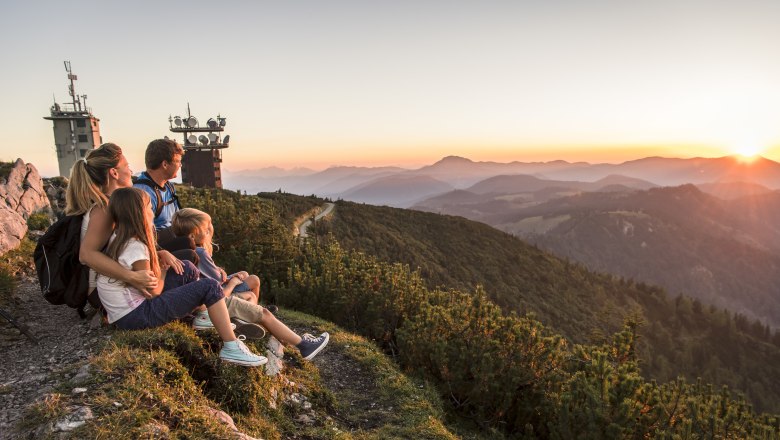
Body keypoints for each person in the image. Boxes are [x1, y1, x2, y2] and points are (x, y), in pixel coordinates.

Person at [98, 188, 266, 366]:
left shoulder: (119, 237)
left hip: (126, 311)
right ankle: (231, 348)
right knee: (209, 285)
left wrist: (163, 256)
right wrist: (163, 270)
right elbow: (153, 292)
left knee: (187, 268)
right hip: (135, 316)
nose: (152, 210)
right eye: (148, 207)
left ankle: (203, 315)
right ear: (139, 213)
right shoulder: (136, 247)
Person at [171, 207, 330, 360]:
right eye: (206, 230)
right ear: (193, 236)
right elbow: (216, 291)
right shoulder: (200, 253)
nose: (209, 232)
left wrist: (226, 274)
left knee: (251, 283)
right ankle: (304, 346)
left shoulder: (183, 251)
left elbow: (210, 279)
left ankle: (247, 320)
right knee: (263, 312)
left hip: (206, 300)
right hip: (214, 303)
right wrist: (232, 282)